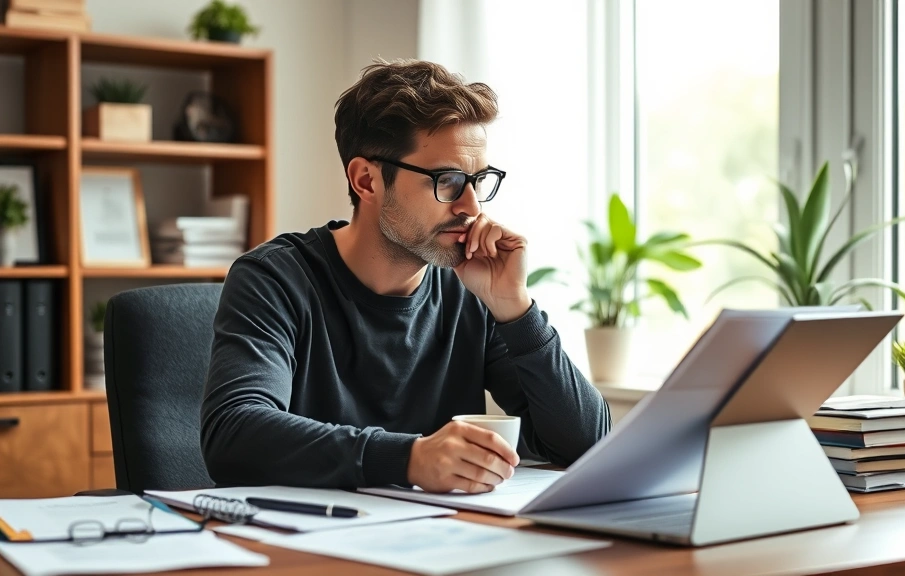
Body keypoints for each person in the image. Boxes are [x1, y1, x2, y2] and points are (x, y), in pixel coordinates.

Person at [201, 59, 611, 494]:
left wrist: (516, 309)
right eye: (448, 181)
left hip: (442, 545)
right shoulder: (274, 280)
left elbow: (588, 445)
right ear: (367, 181)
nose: (472, 207)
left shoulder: (473, 289)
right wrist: (409, 459)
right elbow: (233, 434)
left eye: (479, 181)